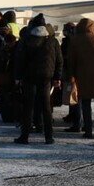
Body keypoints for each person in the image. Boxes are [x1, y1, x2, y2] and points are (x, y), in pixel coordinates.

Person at [13, 13, 62, 144]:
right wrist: (57, 77)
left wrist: (18, 77)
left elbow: (20, 60)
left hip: (29, 77)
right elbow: (59, 61)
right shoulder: (53, 41)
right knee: (46, 107)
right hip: (46, 78)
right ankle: (49, 137)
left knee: (28, 107)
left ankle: (24, 136)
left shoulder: (26, 40)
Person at [60, 22, 82, 132]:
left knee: (74, 97)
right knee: (74, 97)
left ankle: (77, 122)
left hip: (71, 73)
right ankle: (74, 117)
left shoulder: (69, 42)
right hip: (77, 73)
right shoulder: (77, 41)